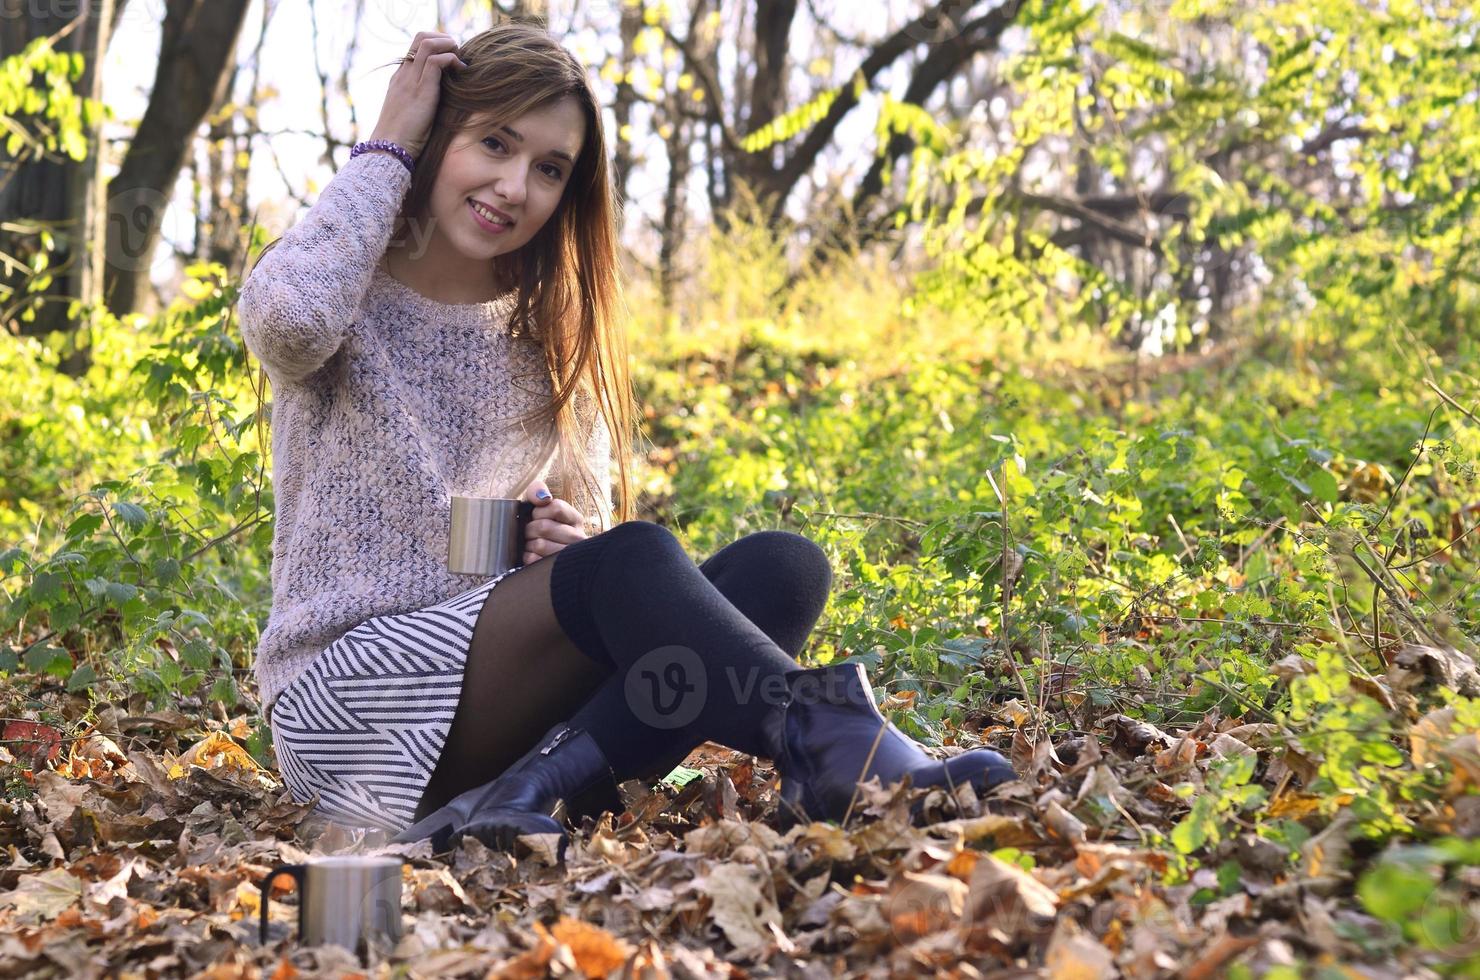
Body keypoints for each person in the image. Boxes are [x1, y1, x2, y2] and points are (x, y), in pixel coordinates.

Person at [238, 22, 1014, 859]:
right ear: (437, 136)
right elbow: (288, 327)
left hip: (503, 708)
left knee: (781, 569)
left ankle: (523, 795)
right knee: (637, 560)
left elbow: (590, 556)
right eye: (493, 143)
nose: (512, 185)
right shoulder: (338, 282)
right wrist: (387, 143)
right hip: (349, 708)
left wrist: (556, 544)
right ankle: (835, 745)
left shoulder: (548, 334)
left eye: (548, 169)